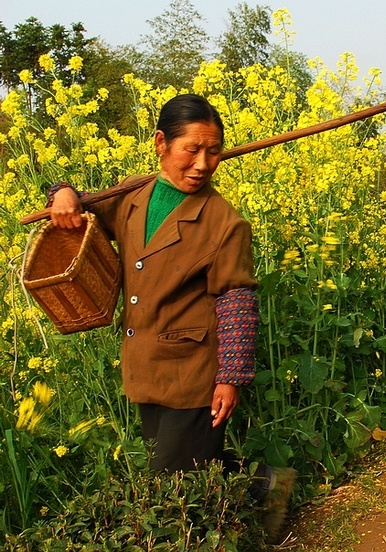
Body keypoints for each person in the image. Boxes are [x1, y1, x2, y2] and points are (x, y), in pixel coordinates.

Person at [48, 94, 295, 543]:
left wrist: (232, 376)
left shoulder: (224, 222)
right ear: (161, 143)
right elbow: (78, 202)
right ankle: (266, 484)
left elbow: (236, 300)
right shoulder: (129, 196)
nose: (203, 163)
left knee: (171, 486)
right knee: (187, 461)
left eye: (214, 150)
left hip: (194, 369)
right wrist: (62, 194)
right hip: (145, 363)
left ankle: (201, 535)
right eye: (192, 149)